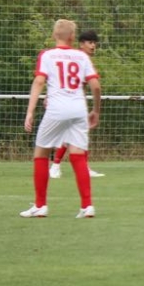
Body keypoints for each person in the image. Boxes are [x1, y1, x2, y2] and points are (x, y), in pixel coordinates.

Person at [20, 19, 101, 218]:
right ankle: (87, 206)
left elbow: (39, 81)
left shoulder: (47, 55)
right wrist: (96, 111)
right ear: (73, 37)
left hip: (57, 109)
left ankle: (40, 205)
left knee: (41, 153)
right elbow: (96, 86)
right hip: (78, 109)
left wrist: (30, 111)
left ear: (54, 35)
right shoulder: (81, 56)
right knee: (78, 154)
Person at [49, 29, 105, 179]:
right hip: (68, 103)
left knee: (77, 135)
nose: (93, 46)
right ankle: (55, 166)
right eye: (90, 42)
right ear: (81, 44)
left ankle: (70, 167)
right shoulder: (79, 59)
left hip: (74, 103)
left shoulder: (80, 59)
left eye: (95, 43)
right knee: (70, 136)